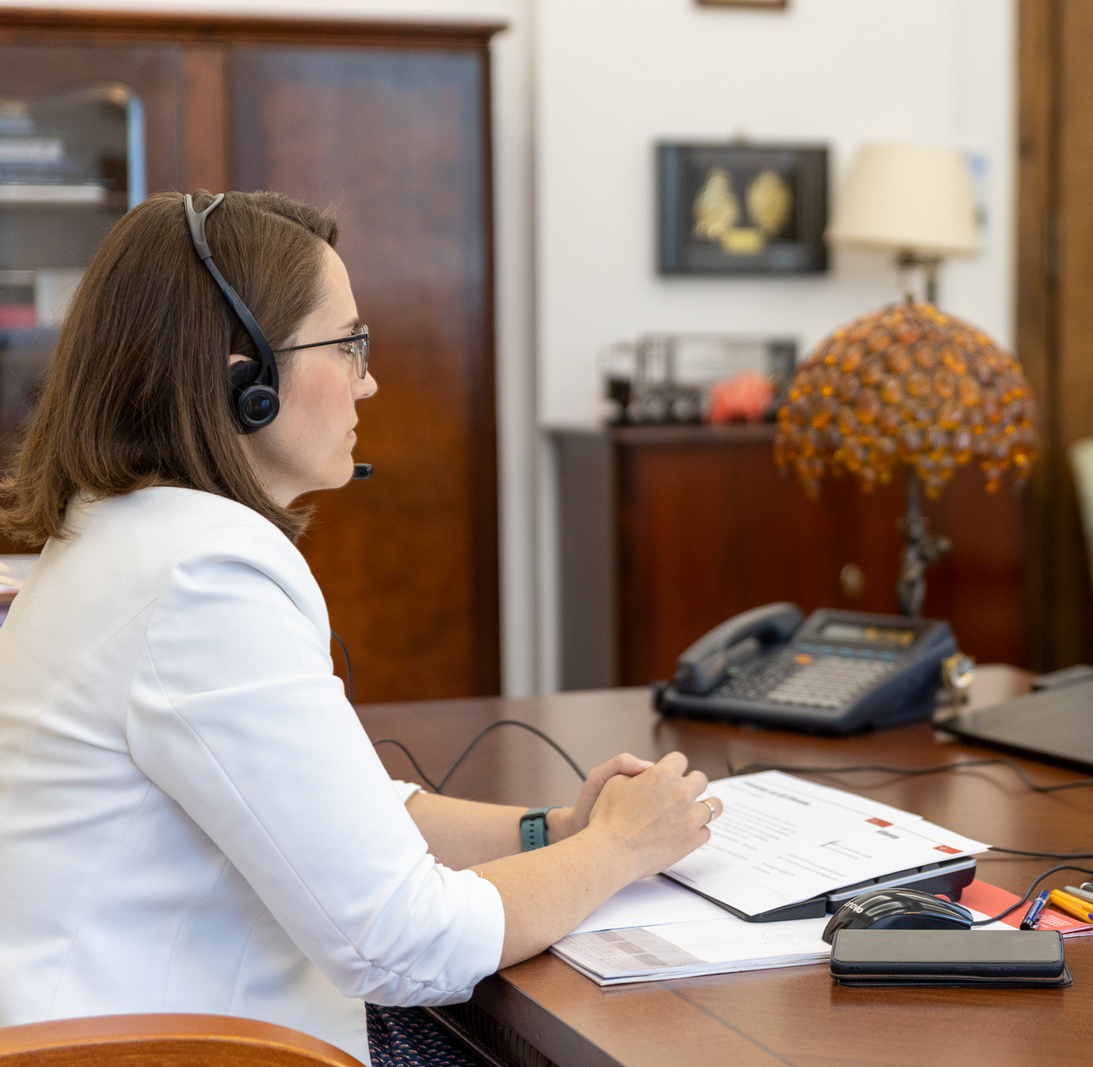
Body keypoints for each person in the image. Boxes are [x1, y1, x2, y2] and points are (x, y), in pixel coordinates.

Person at [0, 191, 720, 1066]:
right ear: (244, 381)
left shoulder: (122, 533)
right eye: (347, 345)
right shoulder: (202, 576)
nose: (369, 380)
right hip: (179, 1045)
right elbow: (401, 943)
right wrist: (619, 847)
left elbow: (343, 813)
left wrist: (552, 830)